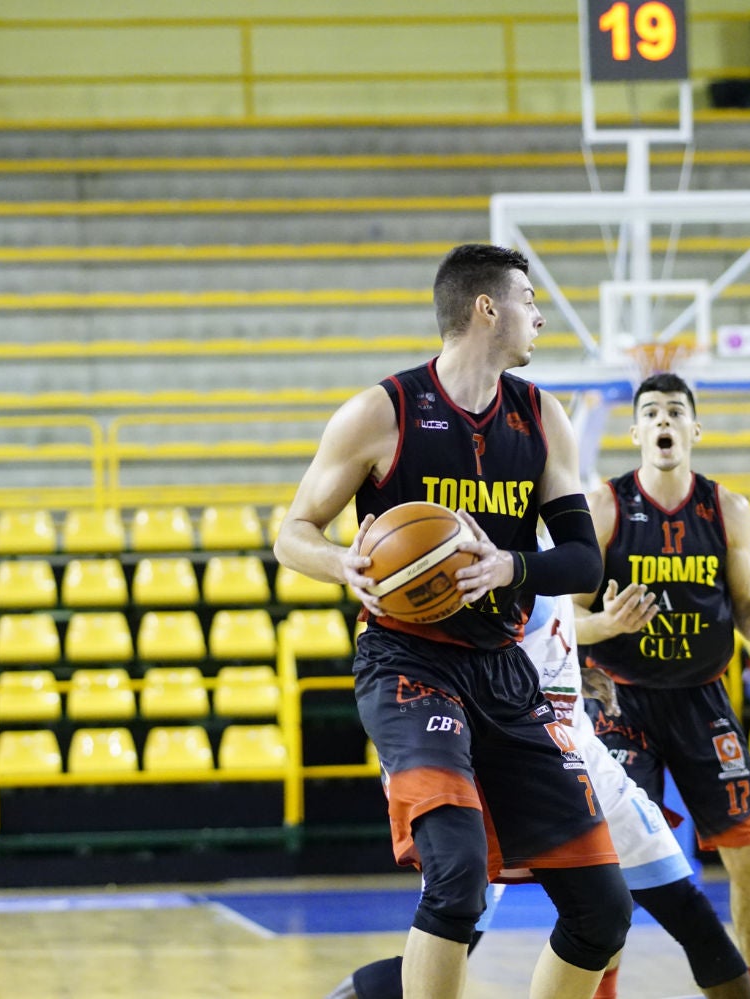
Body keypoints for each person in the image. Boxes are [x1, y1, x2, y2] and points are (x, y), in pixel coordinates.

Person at [273, 243, 631, 999]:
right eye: (529, 300)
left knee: (603, 910)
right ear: (486, 308)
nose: (540, 317)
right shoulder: (383, 411)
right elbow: (292, 533)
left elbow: (582, 562)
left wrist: (508, 566)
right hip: (409, 665)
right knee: (458, 877)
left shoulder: (541, 417)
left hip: (504, 671)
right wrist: (342, 564)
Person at [328, 592, 750, 999]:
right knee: (454, 918)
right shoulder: (482, 561)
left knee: (671, 912)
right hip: (503, 761)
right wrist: (604, 625)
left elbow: (553, 628)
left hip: (578, 750)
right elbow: (468, 652)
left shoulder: (559, 551)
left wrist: (578, 667)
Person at [574, 372, 750, 999]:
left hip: (703, 699)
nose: (664, 419)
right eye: (651, 412)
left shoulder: (727, 509)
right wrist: (607, 623)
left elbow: (747, 606)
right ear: (636, 432)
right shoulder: (603, 506)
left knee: (748, 857)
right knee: (613, 863)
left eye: (675, 411)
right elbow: (565, 619)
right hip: (621, 702)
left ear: (694, 429)